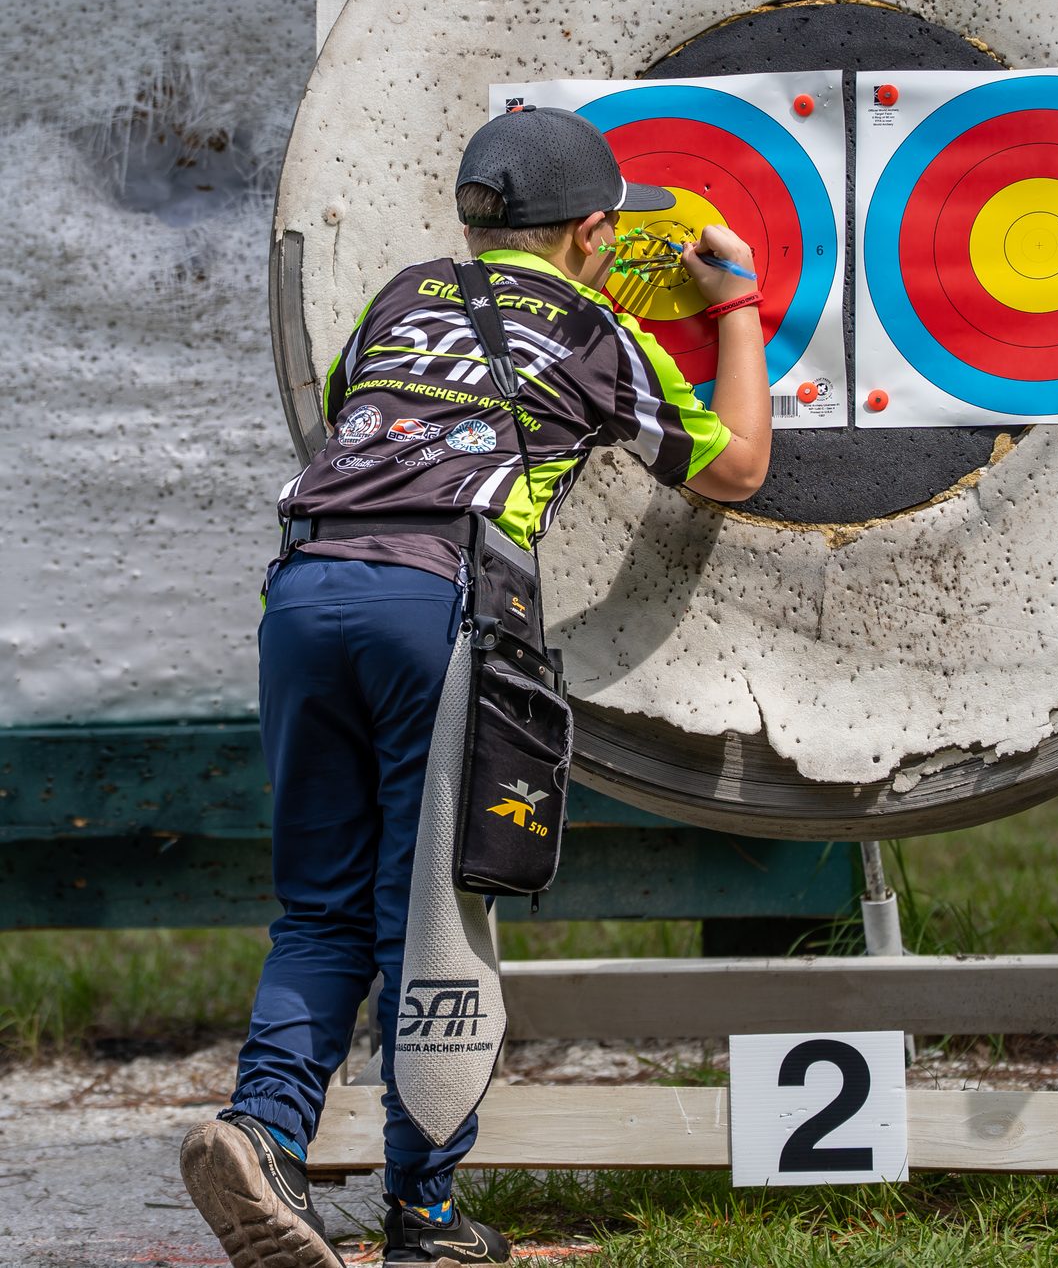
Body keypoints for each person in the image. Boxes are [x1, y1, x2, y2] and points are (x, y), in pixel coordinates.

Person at [181, 106, 771, 1267]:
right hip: (434, 603)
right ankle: (428, 1215)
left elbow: (352, 417)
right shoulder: (597, 329)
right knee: (432, 919)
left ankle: (263, 1133)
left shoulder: (399, 296)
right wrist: (735, 307)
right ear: (595, 232)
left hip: (301, 597)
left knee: (321, 904)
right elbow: (738, 468)